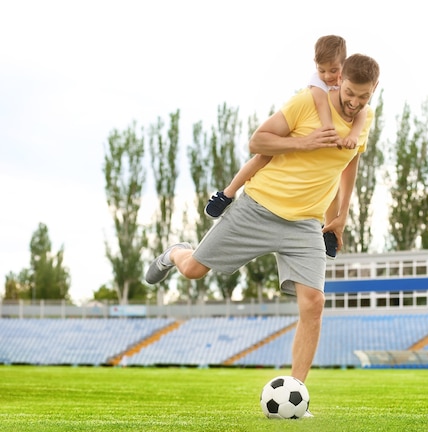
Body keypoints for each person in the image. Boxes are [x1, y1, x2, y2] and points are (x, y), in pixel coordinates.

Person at [145, 52, 380, 415]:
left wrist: (341, 216)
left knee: (313, 304)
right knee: (192, 270)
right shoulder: (305, 103)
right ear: (339, 82)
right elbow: (258, 141)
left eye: (363, 97)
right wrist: (305, 142)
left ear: (374, 90)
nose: (354, 102)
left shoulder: (364, 119)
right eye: (350, 93)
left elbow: (350, 163)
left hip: (305, 223)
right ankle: (175, 252)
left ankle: (296, 395)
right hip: (258, 207)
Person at [203, 35, 367, 259]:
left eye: (334, 70)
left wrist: (353, 136)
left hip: (310, 203)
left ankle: (329, 229)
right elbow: (321, 106)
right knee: (262, 158)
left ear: (344, 67)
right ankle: (227, 193)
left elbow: (363, 114)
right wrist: (330, 134)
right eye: (322, 70)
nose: (328, 76)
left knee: (330, 173)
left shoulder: (350, 92)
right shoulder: (317, 87)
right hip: (293, 134)